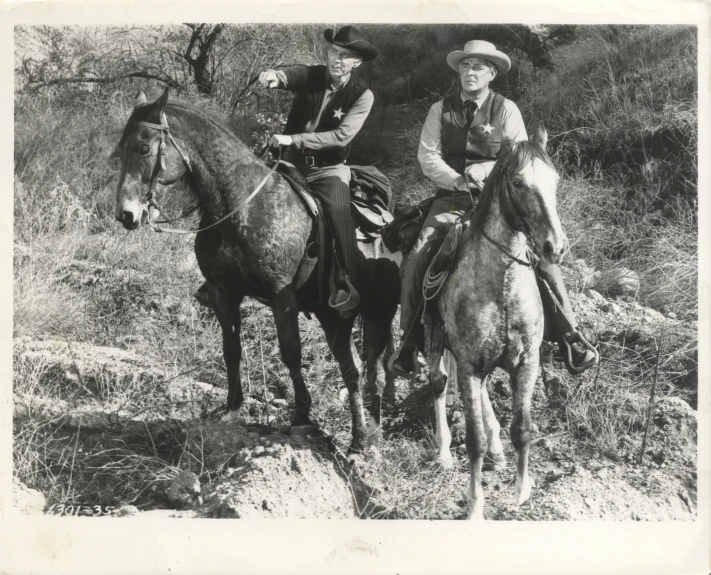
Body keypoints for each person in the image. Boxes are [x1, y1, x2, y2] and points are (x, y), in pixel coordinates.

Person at [389, 40, 598, 377]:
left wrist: (484, 171)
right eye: (465, 66)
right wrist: (457, 180)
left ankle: (569, 336)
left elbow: (517, 156)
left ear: (492, 74)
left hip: (498, 200)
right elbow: (427, 156)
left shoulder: (506, 109)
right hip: (452, 199)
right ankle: (409, 342)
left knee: (540, 258)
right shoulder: (438, 110)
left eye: (478, 67)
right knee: (417, 257)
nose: (470, 73)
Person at [195, 25, 377, 313]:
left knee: (339, 211)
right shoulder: (314, 75)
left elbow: (341, 136)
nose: (337, 59)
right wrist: (274, 76)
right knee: (238, 192)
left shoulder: (362, 95)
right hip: (288, 163)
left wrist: (294, 139)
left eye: (346, 56)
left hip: (328, 169)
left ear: (357, 62)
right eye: (333, 51)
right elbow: (293, 74)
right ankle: (219, 271)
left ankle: (346, 280)